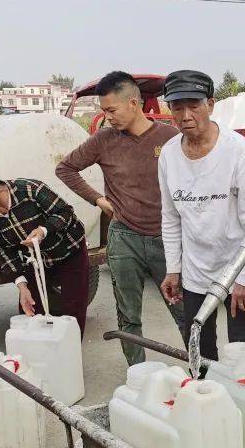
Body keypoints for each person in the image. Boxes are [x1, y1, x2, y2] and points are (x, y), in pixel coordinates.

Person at [56, 71, 183, 365]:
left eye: (111, 110)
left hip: (166, 238)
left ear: (134, 104)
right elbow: (66, 168)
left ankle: (200, 370)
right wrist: (98, 199)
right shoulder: (104, 139)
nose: (108, 117)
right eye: (103, 111)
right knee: (128, 313)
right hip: (124, 237)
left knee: (183, 309)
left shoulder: (170, 139)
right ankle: (137, 374)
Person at [157, 70, 245, 362]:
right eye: (177, 107)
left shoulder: (236, 150)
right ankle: (206, 400)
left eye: (193, 105)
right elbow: (170, 217)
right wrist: (173, 268)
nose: (185, 115)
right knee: (200, 349)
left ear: (211, 104)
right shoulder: (168, 154)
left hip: (236, 267)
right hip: (196, 272)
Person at [0, 159, 89, 334]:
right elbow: (3, 252)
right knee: (31, 310)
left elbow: (65, 212)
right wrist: (22, 286)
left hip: (68, 252)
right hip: (34, 261)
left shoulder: (30, 190)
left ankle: (68, 356)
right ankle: (38, 357)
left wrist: (44, 230)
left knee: (72, 311)